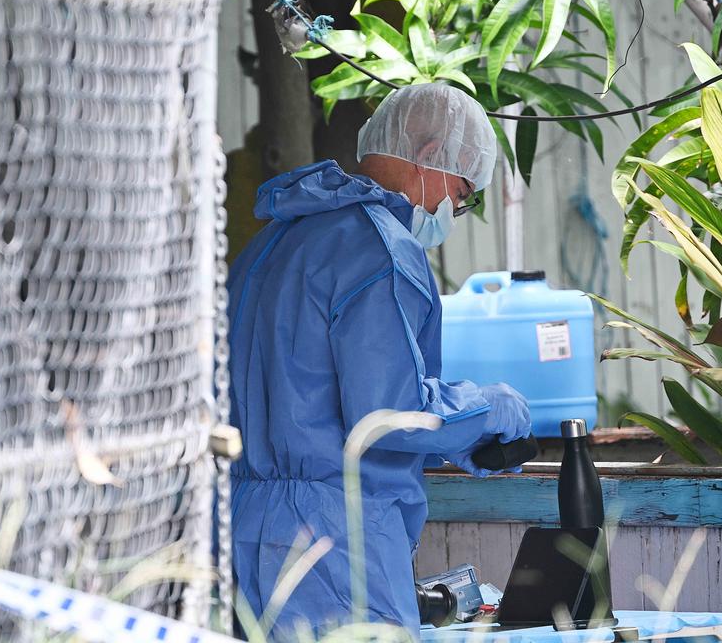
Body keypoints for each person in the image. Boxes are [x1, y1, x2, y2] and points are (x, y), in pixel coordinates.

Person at [226, 83, 532, 639]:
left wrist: (454, 441)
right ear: (432, 155)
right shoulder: (381, 251)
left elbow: (304, 396)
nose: (454, 210)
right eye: (462, 194)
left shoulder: (270, 246)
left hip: (241, 530)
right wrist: (490, 410)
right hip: (333, 544)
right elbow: (389, 410)